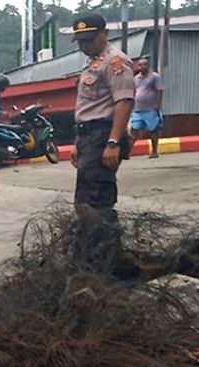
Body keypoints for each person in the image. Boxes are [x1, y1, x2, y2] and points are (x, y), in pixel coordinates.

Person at [69, 13, 135, 267]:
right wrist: (77, 141)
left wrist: (113, 142)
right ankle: (92, 256)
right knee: (84, 198)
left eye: (89, 40)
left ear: (104, 34)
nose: (85, 46)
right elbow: (87, 106)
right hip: (88, 136)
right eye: (81, 42)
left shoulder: (115, 61)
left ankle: (103, 261)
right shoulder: (92, 63)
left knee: (97, 200)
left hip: (103, 135)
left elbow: (124, 101)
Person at [130, 56, 164, 159]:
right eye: (140, 65)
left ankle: (154, 151)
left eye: (144, 64)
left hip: (150, 109)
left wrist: (157, 104)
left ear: (148, 65)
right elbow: (134, 92)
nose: (142, 66)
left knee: (153, 130)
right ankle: (128, 151)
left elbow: (159, 90)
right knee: (134, 130)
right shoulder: (136, 78)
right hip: (137, 109)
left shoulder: (154, 76)